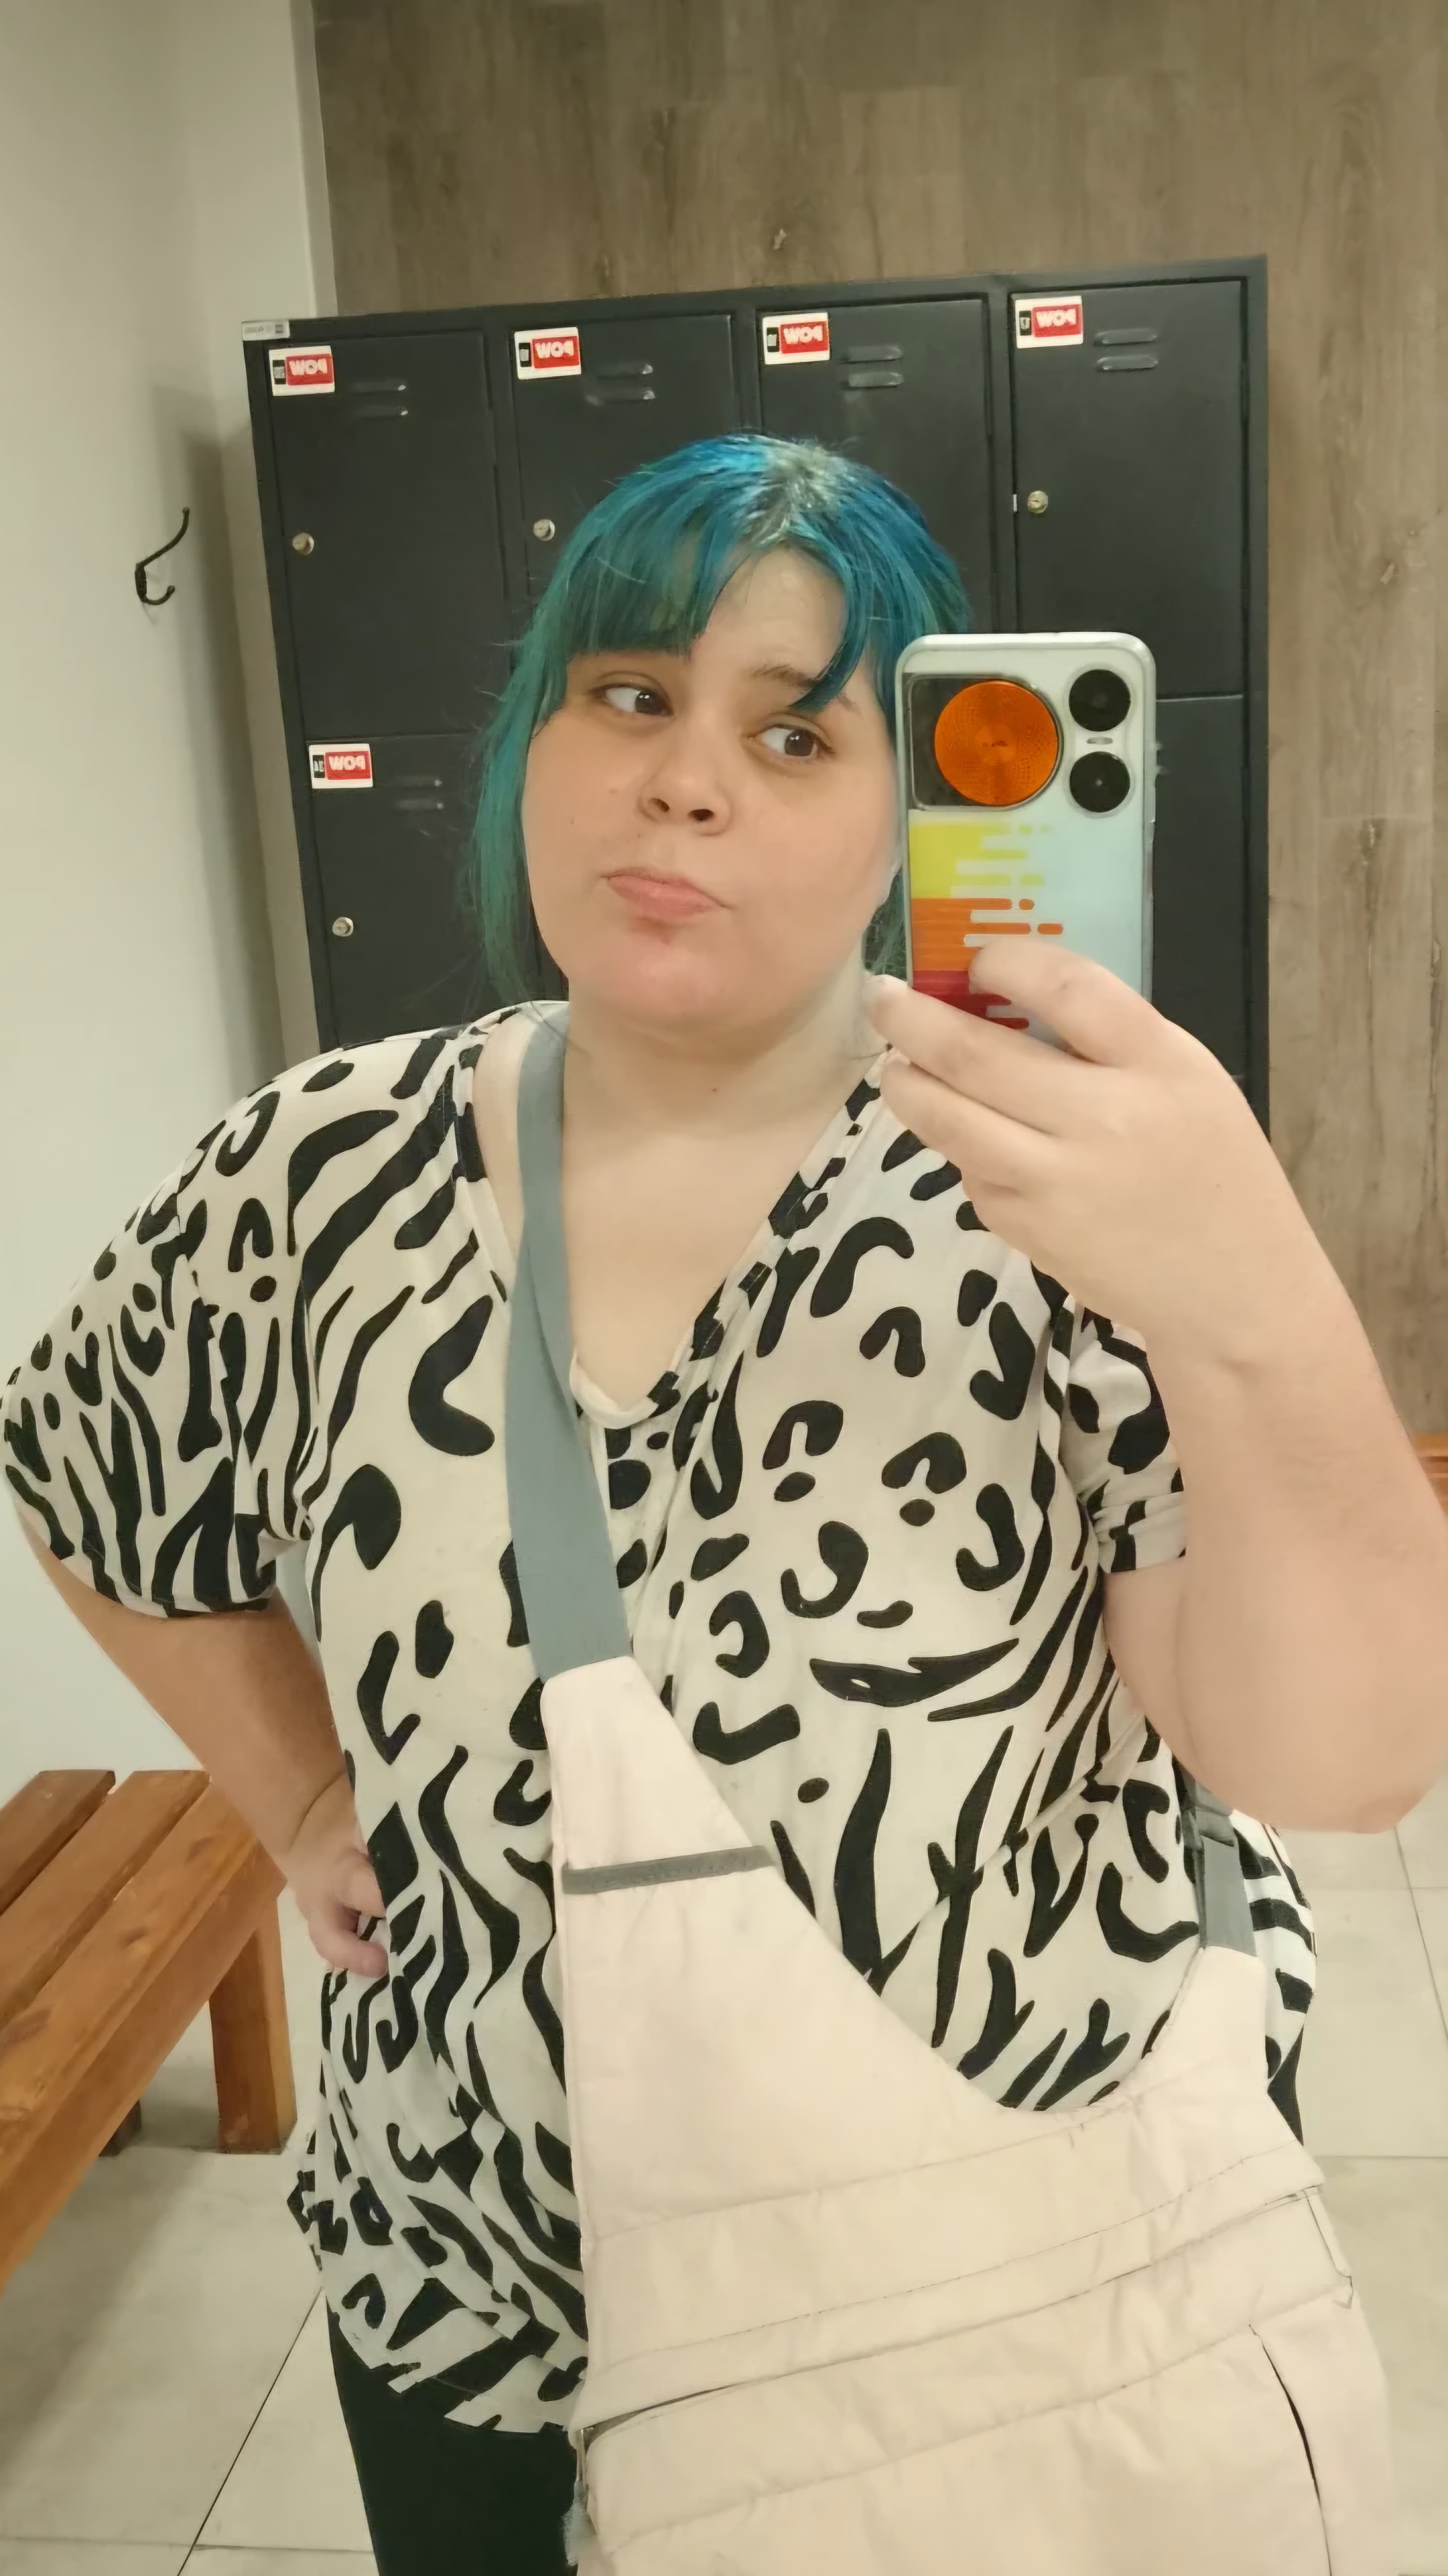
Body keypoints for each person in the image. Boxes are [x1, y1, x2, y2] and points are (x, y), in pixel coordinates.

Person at [5, 434, 1447, 2576]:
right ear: (532, 739)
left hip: (1021, 2293)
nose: (684, 783)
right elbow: (84, 1474)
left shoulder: (1043, 1183)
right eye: (627, 693)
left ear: (905, 817)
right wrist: (305, 1798)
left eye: (793, 732)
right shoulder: (309, 1179)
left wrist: (1250, 1294)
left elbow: (1337, 1759)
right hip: (491, 2293)